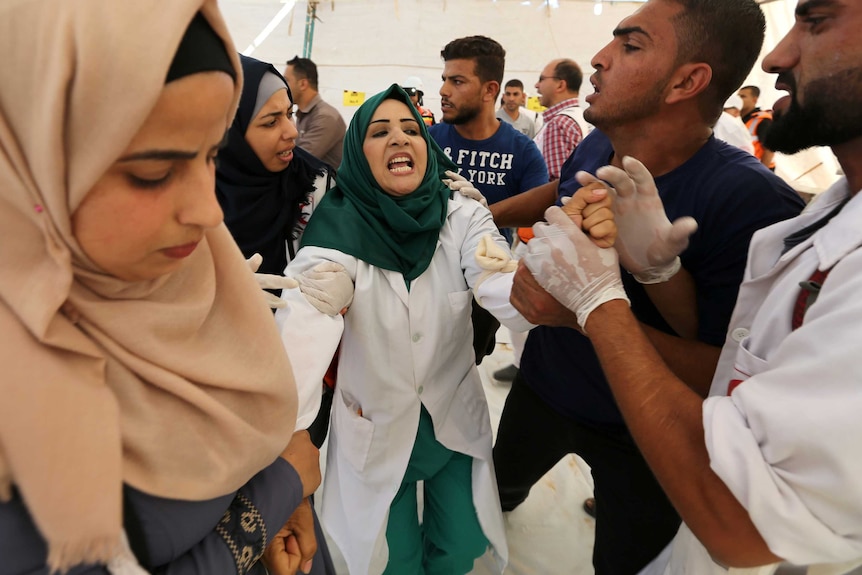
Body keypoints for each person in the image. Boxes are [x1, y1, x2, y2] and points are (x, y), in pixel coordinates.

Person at [517, 0, 862, 572]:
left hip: (645, 438)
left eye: (817, 20)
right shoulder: (600, 145)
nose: (778, 57)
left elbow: (742, 509)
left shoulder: (754, 201)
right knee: (502, 484)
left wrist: (592, 305)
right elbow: (744, 362)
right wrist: (662, 275)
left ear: (686, 81)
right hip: (550, 385)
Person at [0, 3, 326, 574]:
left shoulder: (200, 282)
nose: (207, 211)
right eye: (152, 173)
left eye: (210, 155)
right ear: (30, 162)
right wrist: (281, 487)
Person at [272, 84, 566, 575]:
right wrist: (319, 303)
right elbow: (302, 330)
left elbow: (503, 287)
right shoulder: (336, 232)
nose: (398, 139)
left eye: (411, 129)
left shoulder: (461, 216)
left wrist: (554, 275)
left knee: (461, 545)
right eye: (379, 131)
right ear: (357, 153)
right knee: (394, 558)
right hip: (377, 422)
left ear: (427, 147)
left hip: (450, 420)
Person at [215, 54, 338, 450]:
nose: (291, 132)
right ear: (226, 131)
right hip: (214, 384)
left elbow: (357, 245)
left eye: (290, 114)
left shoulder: (314, 184)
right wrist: (213, 292)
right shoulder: (188, 197)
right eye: (270, 121)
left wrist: (353, 281)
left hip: (298, 380)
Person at [429, 35, 549, 363]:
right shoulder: (429, 142)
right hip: (425, 283)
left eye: (457, 81)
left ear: (489, 90)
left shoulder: (521, 151)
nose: (443, 90)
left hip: (483, 291)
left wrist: (487, 215)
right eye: (444, 80)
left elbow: (540, 211)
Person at [283, 56, 346, 169]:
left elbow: (300, 160)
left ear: (303, 84)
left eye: (286, 80)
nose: (283, 86)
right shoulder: (304, 114)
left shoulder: (325, 117)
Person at [533, 58, 590, 180]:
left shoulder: (559, 124)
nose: (536, 85)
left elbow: (556, 184)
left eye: (541, 79)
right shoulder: (578, 116)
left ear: (560, 85)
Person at [739, 85, 777, 170]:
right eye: (738, 96)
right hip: (743, 166)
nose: (739, 99)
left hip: (757, 168)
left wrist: (762, 172)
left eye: (743, 96)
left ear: (754, 100)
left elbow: (769, 150)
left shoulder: (763, 120)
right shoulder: (738, 118)